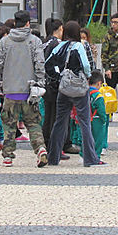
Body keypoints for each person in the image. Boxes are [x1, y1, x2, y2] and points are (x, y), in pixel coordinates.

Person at [0, 10, 48, 168]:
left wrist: (6, 73)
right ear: (28, 23)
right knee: (33, 123)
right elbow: (39, 64)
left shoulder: (5, 41)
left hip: (10, 89)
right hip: (29, 90)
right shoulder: (34, 41)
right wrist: (39, 82)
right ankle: (40, 149)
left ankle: (8, 156)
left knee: (9, 124)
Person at [47, 20, 105, 167]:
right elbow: (86, 65)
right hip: (79, 88)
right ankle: (90, 158)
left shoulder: (59, 45)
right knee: (85, 122)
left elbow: (48, 63)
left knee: (60, 122)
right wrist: (86, 76)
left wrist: (59, 76)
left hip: (64, 87)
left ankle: (53, 157)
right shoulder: (79, 46)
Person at [42, 18, 74, 158]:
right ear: (60, 29)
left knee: (48, 117)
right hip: (55, 85)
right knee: (57, 118)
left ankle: (47, 145)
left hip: (45, 84)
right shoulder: (57, 44)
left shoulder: (44, 42)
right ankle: (56, 148)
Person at [87, 71, 109, 163]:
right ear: (99, 83)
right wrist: (104, 119)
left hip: (86, 118)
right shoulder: (98, 96)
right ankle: (96, 156)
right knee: (98, 139)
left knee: (86, 137)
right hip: (97, 119)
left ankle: (83, 154)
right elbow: (101, 110)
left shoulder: (85, 93)